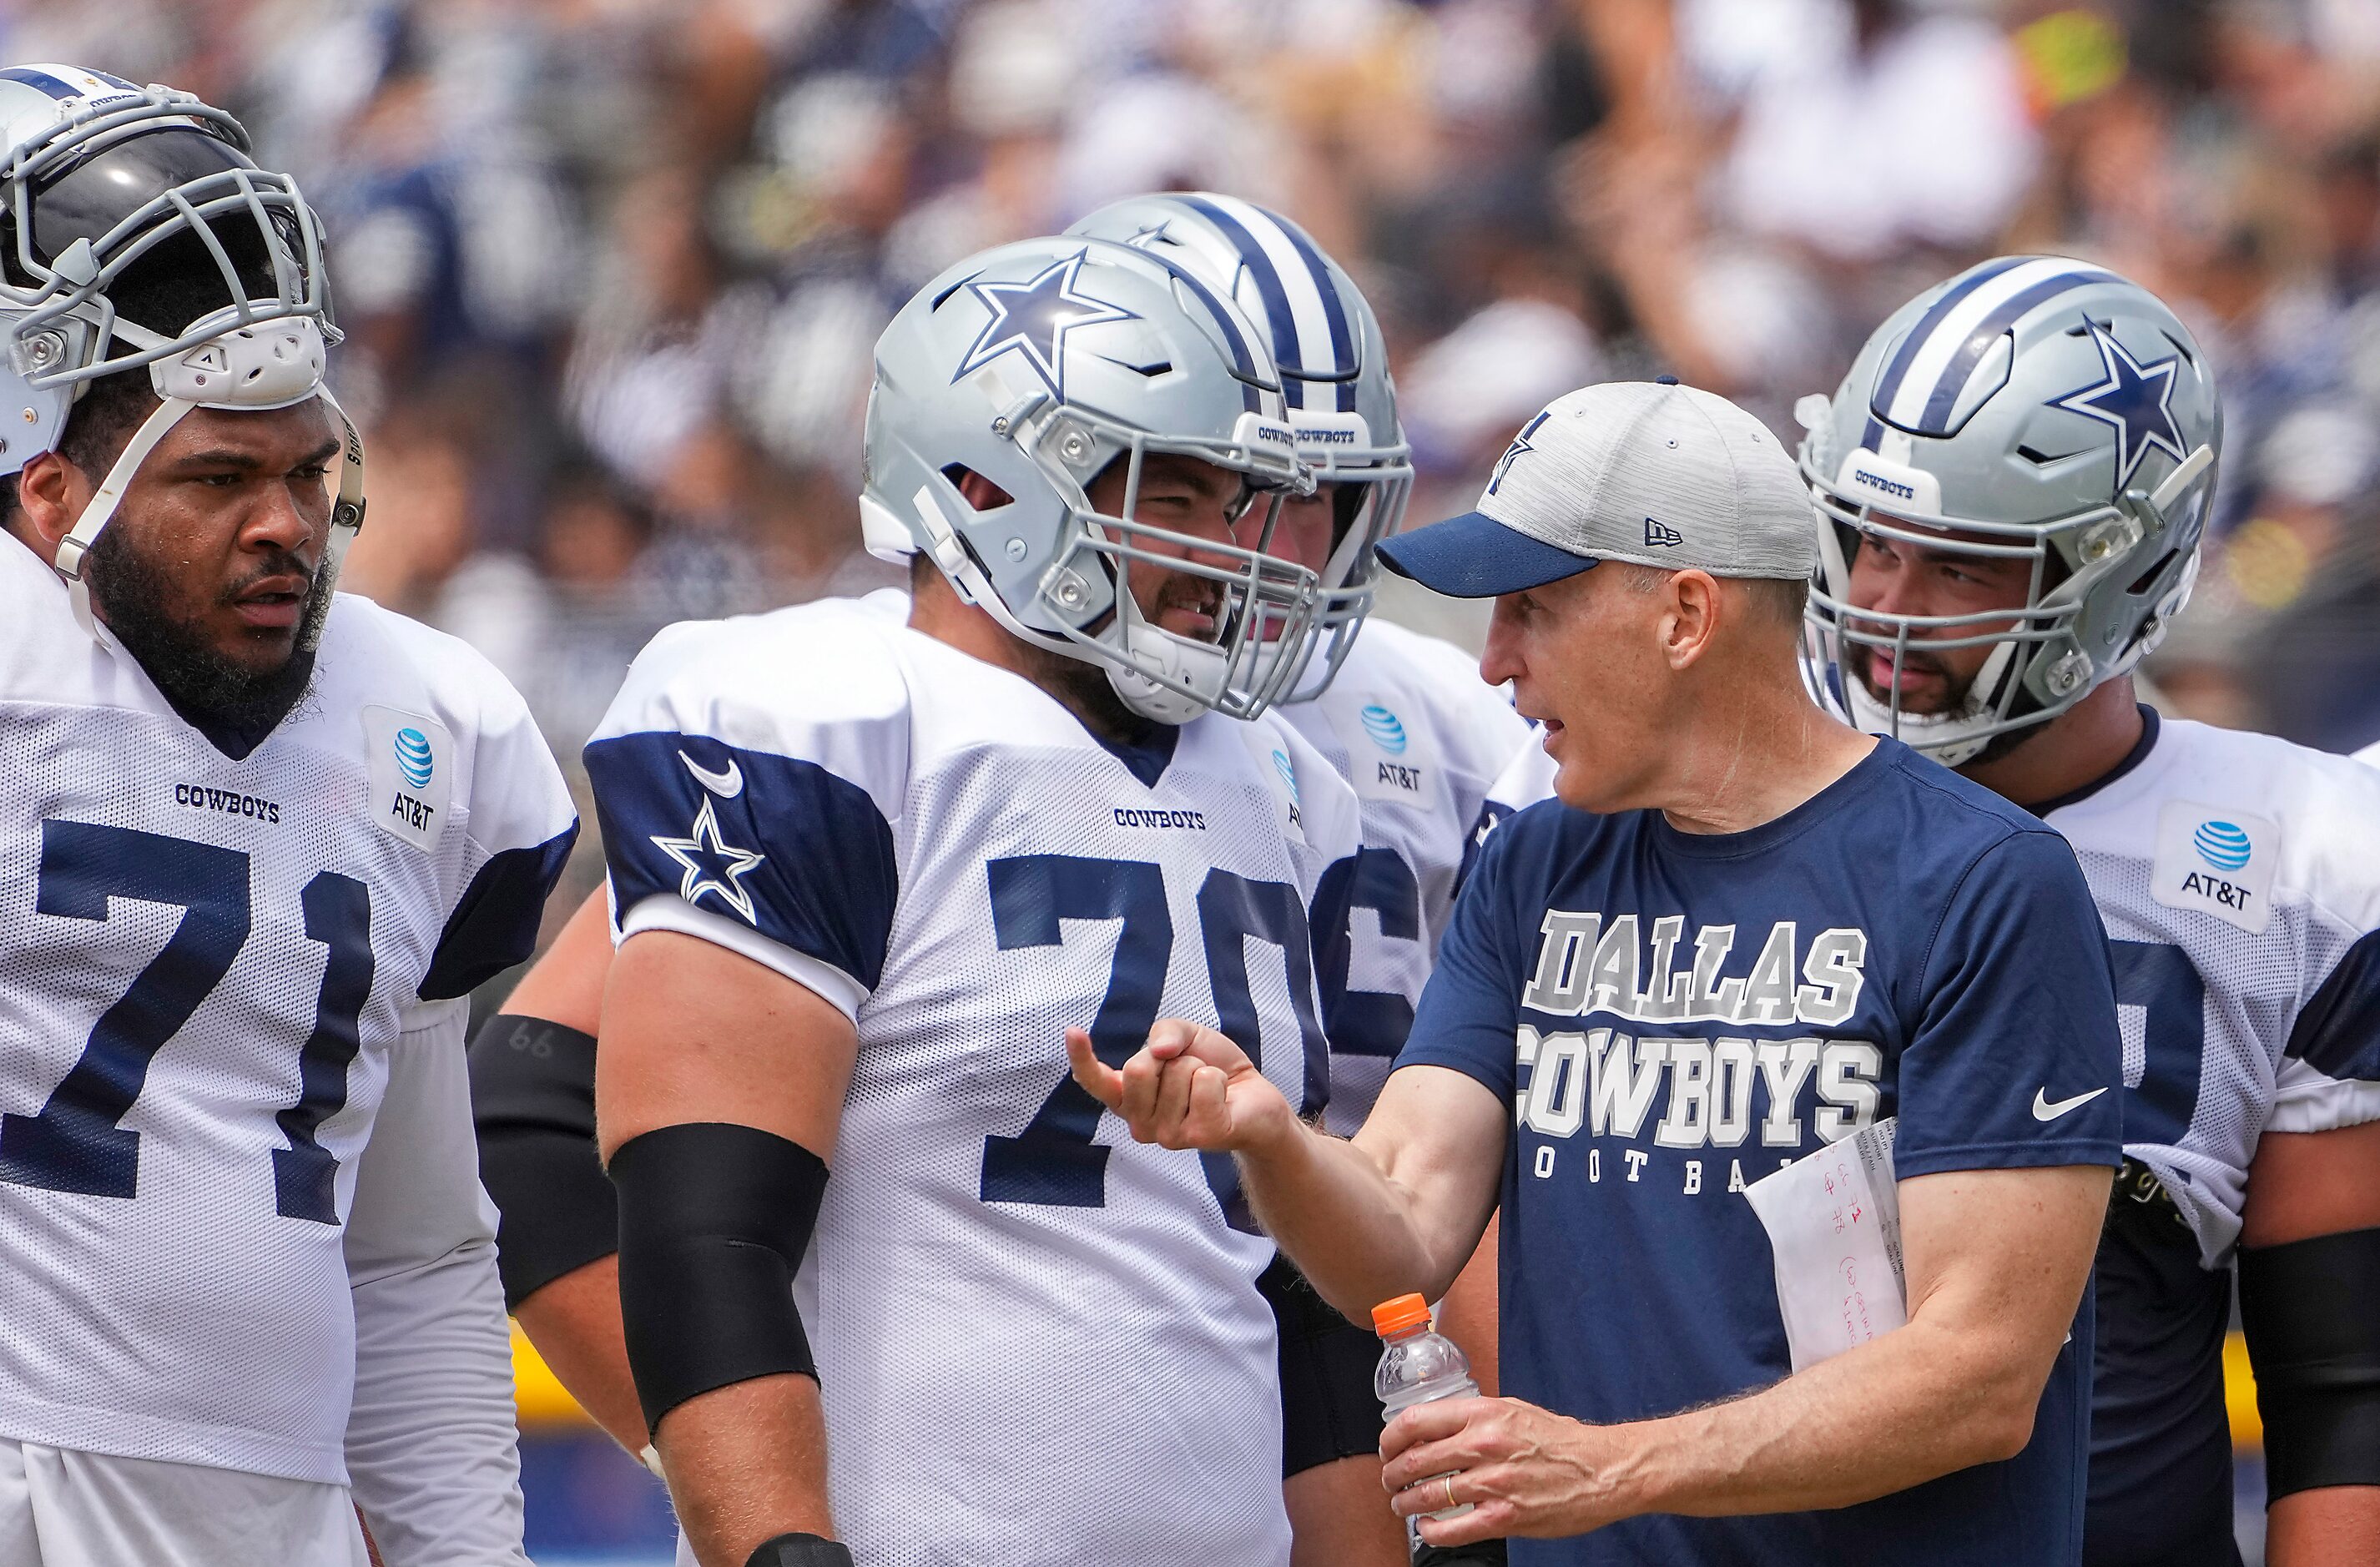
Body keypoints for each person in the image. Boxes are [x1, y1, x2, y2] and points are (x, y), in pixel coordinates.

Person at [471, 194, 1530, 1566]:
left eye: (1258, 497)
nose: (1246, 550)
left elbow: (1290, 1289)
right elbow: (701, 1219)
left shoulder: (1278, 759)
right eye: (1182, 490)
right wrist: (776, 1536)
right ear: (988, 484)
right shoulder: (826, 717)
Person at [1077, 377, 2127, 1564]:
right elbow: (1405, 1230)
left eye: (1530, 608)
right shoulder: (1537, 859)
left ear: (1684, 614)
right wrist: (1270, 1137)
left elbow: (1979, 1376)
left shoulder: (1985, 881)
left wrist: (1609, 1468)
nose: (1491, 664)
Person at [0, 66, 575, 1564]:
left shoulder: (427, 728)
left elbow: (414, 1250)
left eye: (309, 468)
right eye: (220, 476)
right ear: (50, 488)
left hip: (278, 1512)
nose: (286, 527)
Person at [1792, 257, 2380, 1567]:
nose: (1883, 608)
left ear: (2122, 572)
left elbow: (2344, 1385)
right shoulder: (1704, 795)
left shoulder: (2304, 865)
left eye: (1959, 566)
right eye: (1871, 540)